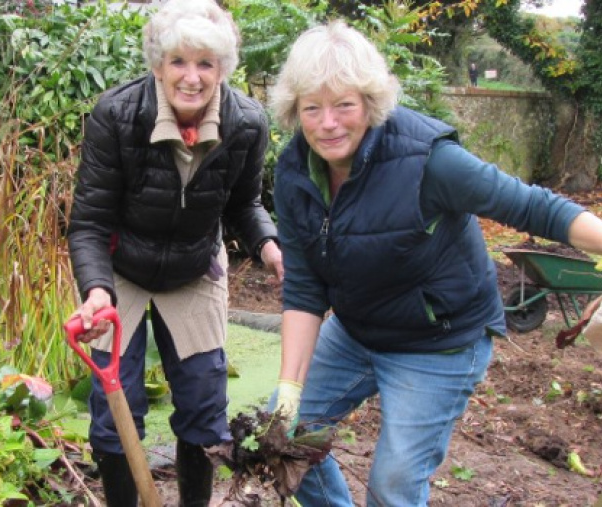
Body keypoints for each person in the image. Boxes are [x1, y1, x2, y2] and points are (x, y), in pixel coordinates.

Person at [268, 20, 602, 506]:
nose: (328, 123)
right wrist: (289, 388)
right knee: (288, 440)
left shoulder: (427, 160)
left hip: (438, 341)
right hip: (359, 328)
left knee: (394, 484)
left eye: (344, 105)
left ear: (369, 102)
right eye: (312, 108)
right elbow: (302, 288)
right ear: (295, 110)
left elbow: (534, 208)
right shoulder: (294, 170)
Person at [64, 0, 283, 504]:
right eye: (179, 62)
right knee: (115, 409)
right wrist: (96, 291)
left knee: (205, 409)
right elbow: (90, 222)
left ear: (223, 69)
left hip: (194, 267)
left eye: (206, 63)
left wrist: (269, 246)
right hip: (120, 270)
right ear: (157, 64)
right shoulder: (117, 115)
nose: (192, 77)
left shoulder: (246, 123)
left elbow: (245, 203)